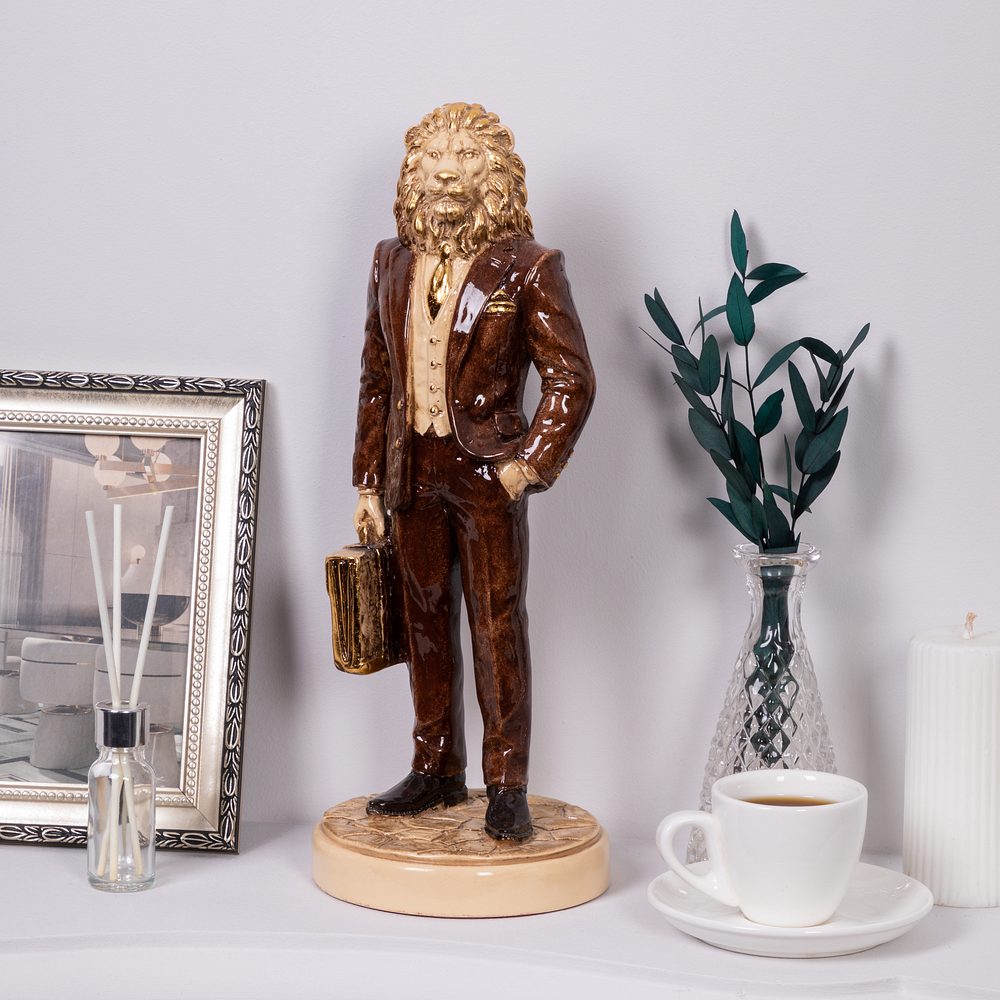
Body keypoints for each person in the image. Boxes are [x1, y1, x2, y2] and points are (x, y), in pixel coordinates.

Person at [352, 102, 595, 841]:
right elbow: (376, 380)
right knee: (424, 620)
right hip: (411, 471)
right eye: (435, 160)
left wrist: (527, 469)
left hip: (487, 473)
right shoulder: (390, 261)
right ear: (414, 174)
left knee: (496, 626)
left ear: (496, 174)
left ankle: (507, 782)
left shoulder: (529, 266)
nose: (449, 174)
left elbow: (571, 379)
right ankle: (435, 767)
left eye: (466, 159)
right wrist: (368, 482)